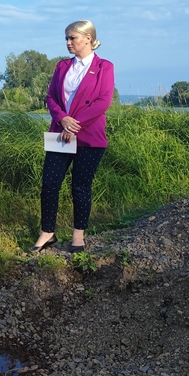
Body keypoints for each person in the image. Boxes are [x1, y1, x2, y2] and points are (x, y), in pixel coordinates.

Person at [31, 20, 114, 253]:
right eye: (66, 38)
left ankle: (78, 235)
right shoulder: (61, 67)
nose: (68, 42)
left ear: (88, 38)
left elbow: (103, 101)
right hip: (60, 133)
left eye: (72, 38)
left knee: (80, 186)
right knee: (49, 184)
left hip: (89, 136)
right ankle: (47, 233)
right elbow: (51, 98)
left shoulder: (105, 67)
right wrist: (63, 120)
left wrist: (73, 125)